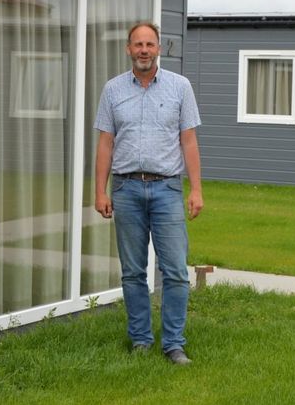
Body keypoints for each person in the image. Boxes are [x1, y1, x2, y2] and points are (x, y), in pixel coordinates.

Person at [93, 21, 204, 366]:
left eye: (150, 44)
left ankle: (174, 344)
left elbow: (189, 140)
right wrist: (100, 191)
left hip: (167, 189)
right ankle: (141, 340)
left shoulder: (180, 87)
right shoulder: (112, 90)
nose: (144, 50)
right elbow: (105, 143)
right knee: (132, 272)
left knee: (174, 271)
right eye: (138, 44)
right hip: (125, 188)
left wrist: (196, 189)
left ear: (159, 48)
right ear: (128, 49)